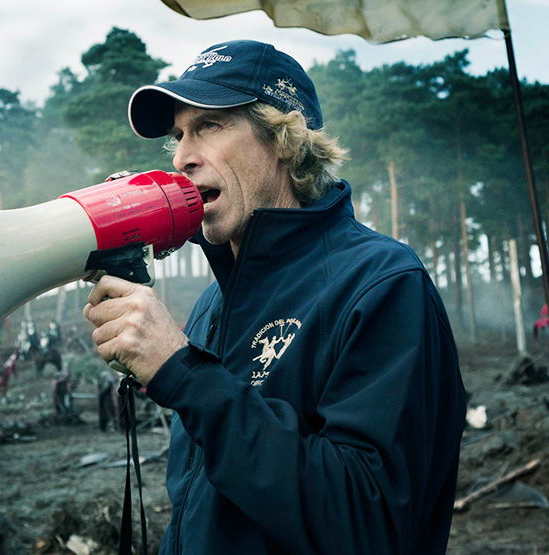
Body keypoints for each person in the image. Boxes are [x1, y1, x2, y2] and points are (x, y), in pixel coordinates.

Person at [83, 40, 466, 554]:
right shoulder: (211, 306)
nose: (181, 157)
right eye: (178, 135)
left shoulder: (382, 284)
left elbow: (368, 522)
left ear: (286, 138)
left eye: (209, 126)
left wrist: (184, 373)